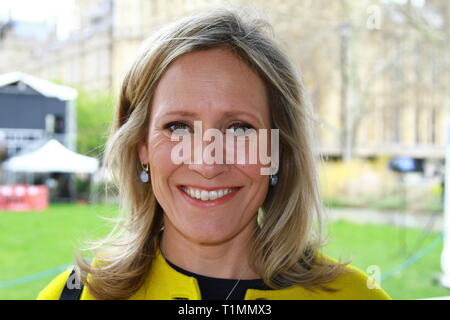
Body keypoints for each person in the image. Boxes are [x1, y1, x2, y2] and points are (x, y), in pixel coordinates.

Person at [37, 8, 391, 300]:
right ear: (141, 146)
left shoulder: (356, 296)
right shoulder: (72, 296)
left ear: (278, 150)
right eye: (178, 127)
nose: (208, 163)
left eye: (239, 128)